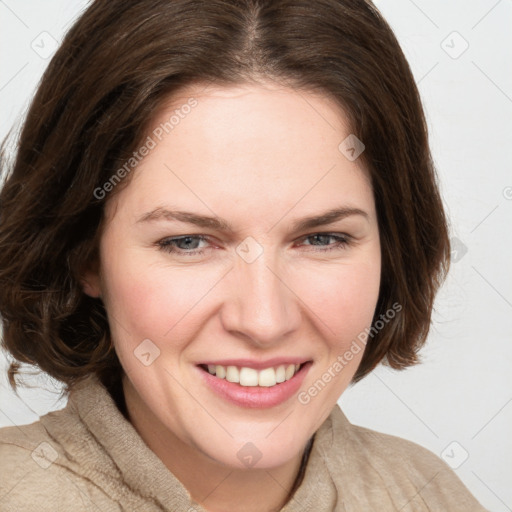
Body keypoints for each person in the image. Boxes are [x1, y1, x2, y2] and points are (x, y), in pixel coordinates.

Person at [0, 0, 489, 511]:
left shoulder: (427, 493)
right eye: (187, 242)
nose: (263, 321)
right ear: (84, 254)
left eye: (322, 238)